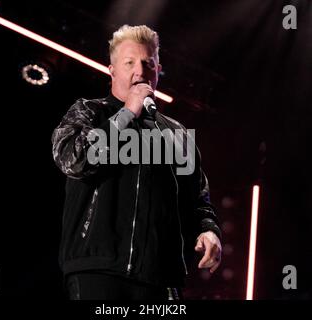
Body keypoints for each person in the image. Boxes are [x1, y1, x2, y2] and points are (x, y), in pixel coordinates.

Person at [51, 25, 222, 300]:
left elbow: (198, 198)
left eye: (148, 63)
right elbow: (73, 159)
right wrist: (127, 113)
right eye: (129, 62)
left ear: (158, 70)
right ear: (112, 70)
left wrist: (209, 230)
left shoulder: (176, 133)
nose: (140, 72)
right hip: (99, 270)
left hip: (162, 278)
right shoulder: (90, 111)